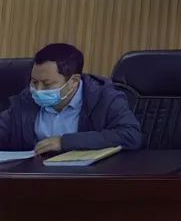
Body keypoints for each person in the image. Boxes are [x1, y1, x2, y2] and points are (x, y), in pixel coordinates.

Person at [0, 43, 141, 155]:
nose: (38, 90)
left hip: (85, 177)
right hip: (33, 176)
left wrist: (66, 142)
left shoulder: (104, 98)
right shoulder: (26, 99)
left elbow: (130, 135)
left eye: (47, 84)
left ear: (73, 82)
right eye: (34, 82)